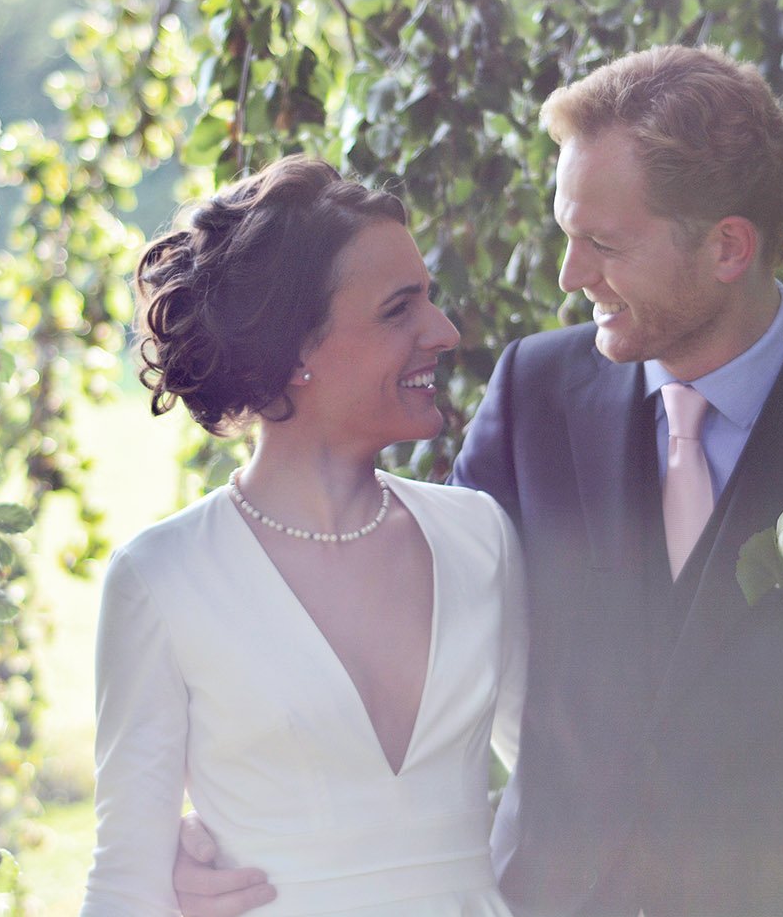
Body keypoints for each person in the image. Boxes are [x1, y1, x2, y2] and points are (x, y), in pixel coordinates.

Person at [172, 46, 783, 917]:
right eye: (568, 234)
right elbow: (402, 650)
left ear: (728, 247)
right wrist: (229, 835)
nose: (571, 276)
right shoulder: (534, 394)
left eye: (603, 244)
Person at [80, 155, 527, 917]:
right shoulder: (161, 579)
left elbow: (559, 784)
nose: (444, 333)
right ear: (293, 354)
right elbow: (126, 885)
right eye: (399, 310)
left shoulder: (479, 538)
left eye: (431, 302)